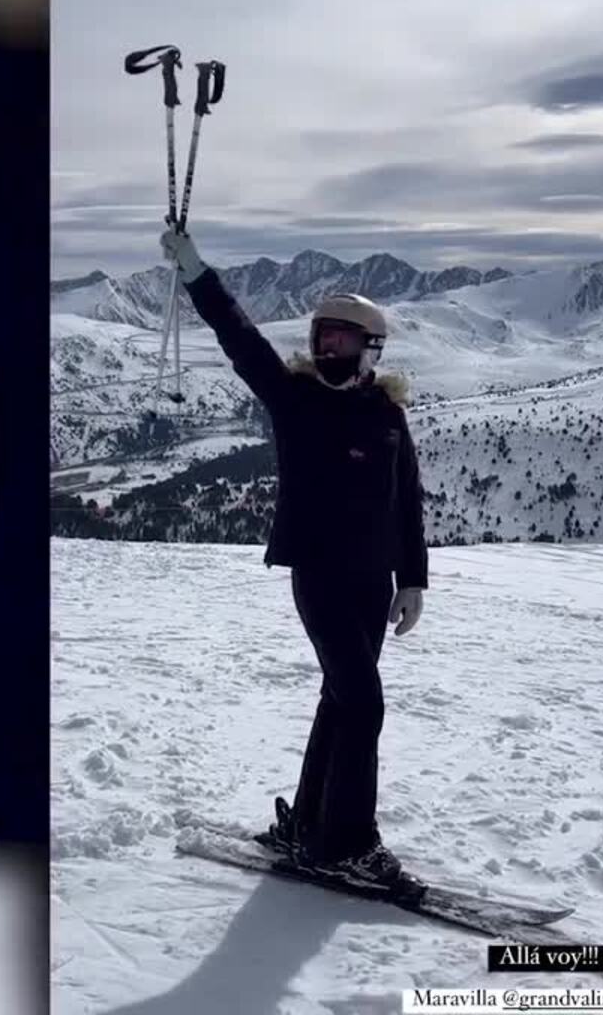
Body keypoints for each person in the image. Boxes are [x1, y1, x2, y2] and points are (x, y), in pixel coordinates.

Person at [161, 226, 429, 885]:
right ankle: (350, 844)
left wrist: (412, 580)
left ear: (370, 349)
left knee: (340, 701)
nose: (326, 348)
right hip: (321, 578)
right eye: (320, 337)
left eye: (340, 339)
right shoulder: (296, 401)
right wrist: (196, 273)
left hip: (373, 584)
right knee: (363, 703)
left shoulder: (387, 415)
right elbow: (241, 339)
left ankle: (309, 824)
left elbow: (407, 500)